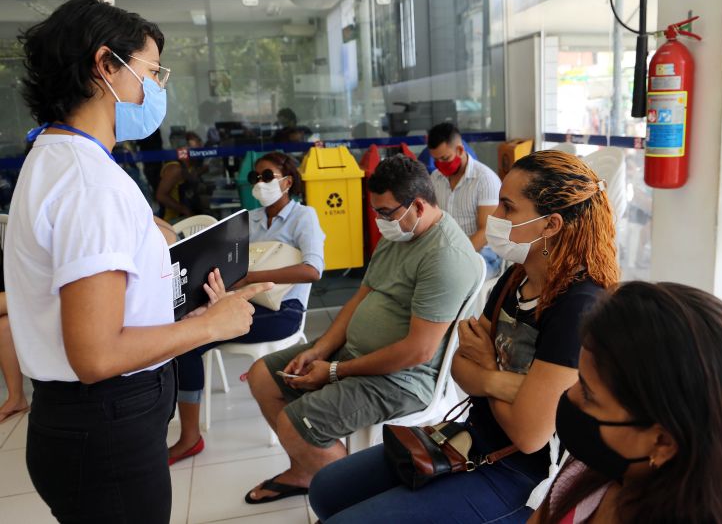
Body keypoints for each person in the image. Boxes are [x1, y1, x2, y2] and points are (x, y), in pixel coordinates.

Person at [8, 0, 266, 522]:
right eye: (151, 71)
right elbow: (97, 356)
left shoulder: (58, 157)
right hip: (106, 424)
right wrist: (212, 326)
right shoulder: (90, 184)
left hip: (88, 423)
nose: (157, 88)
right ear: (106, 66)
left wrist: (176, 294)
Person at [309, 150, 619, 523]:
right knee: (325, 490)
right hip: (470, 436)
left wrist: (487, 372)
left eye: (507, 207)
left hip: (520, 472)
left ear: (550, 225)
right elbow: (458, 367)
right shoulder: (515, 278)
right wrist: (510, 385)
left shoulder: (577, 304)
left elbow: (529, 434)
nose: (495, 219)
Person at [244, 154, 484, 504]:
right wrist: (320, 349)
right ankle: (307, 472)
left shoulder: (446, 257)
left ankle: (352, 503)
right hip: (356, 355)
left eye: (385, 212)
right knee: (262, 376)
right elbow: (361, 297)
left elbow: (418, 351)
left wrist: (335, 371)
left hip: (401, 379)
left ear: (417, 205)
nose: (379, 220)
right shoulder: (400, 232)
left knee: (295, 424)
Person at [530, 282, 722, 523]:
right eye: (580, 379)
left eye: (589, 395)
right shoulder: (592, 473)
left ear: (662, 442)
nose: (570, 395)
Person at [168, 152, 325, 464]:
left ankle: (189, 439)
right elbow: (230, 266)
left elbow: (313, 270)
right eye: (256, 178)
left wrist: (252, 276)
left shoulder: (303, 217)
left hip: (284, 311)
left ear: (287, 181)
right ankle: (184, 430)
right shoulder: (249, 219)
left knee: (188, 343)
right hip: (242, 304)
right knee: (182, 336)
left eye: (267, 176)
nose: (260, 184)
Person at [426, 123, 503, 278]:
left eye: (445, 158)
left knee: (453, 279)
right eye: (436, 160)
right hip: (448, 252)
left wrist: (456, 256)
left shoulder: (485, 179)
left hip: (484, 254)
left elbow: (486, 231)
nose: (440, 164)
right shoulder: (435, 178)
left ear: (460, 150)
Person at [0, 247, 27, 425]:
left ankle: (16, 398)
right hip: (18, 297)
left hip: (19, 295)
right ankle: (16, 398)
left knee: (5, 326)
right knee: (4, 327)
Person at [156, 131, 206, 221]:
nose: (201, 146)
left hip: (188, 215)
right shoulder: (175, 168)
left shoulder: (190, 164)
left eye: (200, 141)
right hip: (174, 221)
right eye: (197, 142)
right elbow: (161, 196)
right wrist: (185, 211)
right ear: (185, 148)